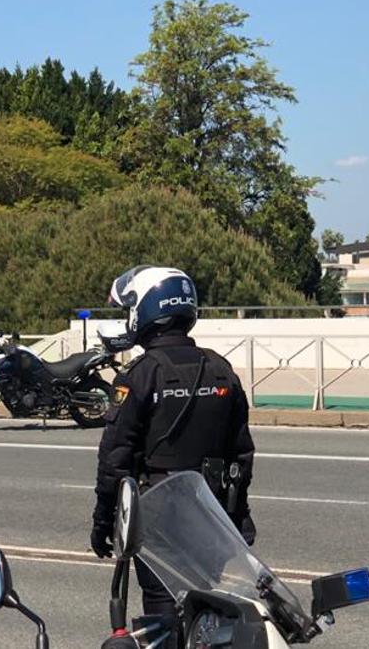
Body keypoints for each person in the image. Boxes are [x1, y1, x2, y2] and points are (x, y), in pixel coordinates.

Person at [90, 266, 255, 634]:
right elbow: (241, 456)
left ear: (144, 309)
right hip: (212, 514)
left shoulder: (140, 374)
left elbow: (116, 460)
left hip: (158, 516)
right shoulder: (220, 368)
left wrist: (103, 521)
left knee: (165, 613)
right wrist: (239, 516)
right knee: (209, 606)